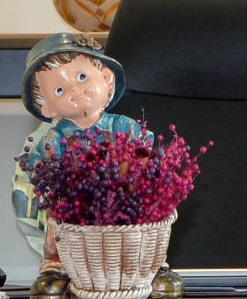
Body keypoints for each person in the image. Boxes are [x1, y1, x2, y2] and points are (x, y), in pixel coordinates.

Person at [8, 33, 145, 259]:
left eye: (82, 77)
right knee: (59, 235)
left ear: (106, 77)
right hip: (72, 220)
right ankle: (58, 266)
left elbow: (143, 162)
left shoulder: (124, 128)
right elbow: (41, 177)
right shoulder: (53, 139)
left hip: (121, 217)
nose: (74, 90)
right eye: (59, 90)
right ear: (47, 108)